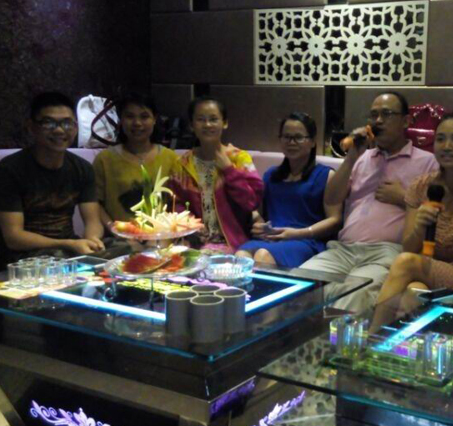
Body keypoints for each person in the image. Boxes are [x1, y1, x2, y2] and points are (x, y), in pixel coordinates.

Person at [300, 92, 438, 312]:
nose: (378, 121)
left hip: (386, 252)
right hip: (342, 249)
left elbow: (436, 216)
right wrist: (351, 157)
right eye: (374, 115)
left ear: (406, 121)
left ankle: (337, 336)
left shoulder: (427, 162)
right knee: (299, 285)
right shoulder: (362, 158)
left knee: (354, 294)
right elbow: (331, 199)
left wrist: (404, 197)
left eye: (387, 114)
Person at [375, 111, 453, 304]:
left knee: (405, 263)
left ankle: (374, 325)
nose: (447, 146)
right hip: (425, 269)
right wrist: (419, 227)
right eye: (440, 139)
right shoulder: (421, 186)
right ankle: (388, 324)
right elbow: (408, 248)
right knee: (413, 292)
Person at [0, 92, 105, 268]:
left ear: (76, 127)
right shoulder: (10, 170)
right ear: (31, 127)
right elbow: (14, 238)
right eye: (48, 123)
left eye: (67, 123)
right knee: (61, 259)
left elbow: (93, 222)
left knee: (126, 248)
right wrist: (69, 244)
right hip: (22, 259)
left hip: (68, 250)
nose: (59, 130)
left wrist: (92, 240)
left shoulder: (82, 168)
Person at [235, 112, 342, 266]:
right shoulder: (271, 175)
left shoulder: (326, 175)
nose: (291, 142)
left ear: (312, 142)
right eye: (286, 137)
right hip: (272, 238)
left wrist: (299, 233)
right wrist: (258, 224)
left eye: (298, 137)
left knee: (262, 255)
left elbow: (335, 220)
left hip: (306, 241)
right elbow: (258, 213)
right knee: (240, 256)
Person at [168, 96, 264, 252]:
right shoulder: (182, 164)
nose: (207, 124)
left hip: (234, 242)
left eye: (213, 119)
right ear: (192, 125)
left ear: (224, 123)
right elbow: (175, 204)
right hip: (194, 242)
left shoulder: (238, 159)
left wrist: (229, 170)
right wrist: (191, 225)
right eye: (201, 119)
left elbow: (252, 202)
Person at [93, 93, 180, 228]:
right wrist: (113, 228)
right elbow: (94, 202)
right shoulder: (104, 160)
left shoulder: (171, 158)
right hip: (118, 237)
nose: (137, 123)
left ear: (154, 119)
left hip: (163, 235)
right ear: (121, 120)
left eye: (144, 117)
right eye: (130, 116)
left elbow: (178, 203)